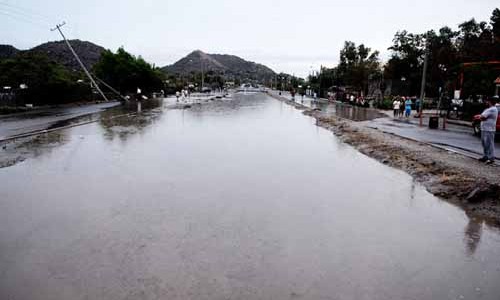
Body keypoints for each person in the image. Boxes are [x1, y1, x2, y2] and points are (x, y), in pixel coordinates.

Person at [478, 97, 498, 164]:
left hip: (489, 129)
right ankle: (485, 156)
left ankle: (491, 158)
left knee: (489, 143)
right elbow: (482, 116)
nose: (486, 102)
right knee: (484, 143)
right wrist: (480, 117)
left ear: (490, 102)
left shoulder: (493, 109)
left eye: (487, 101)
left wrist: (480, 117)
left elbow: (483, 117)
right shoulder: (488, 109)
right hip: (484, 128)